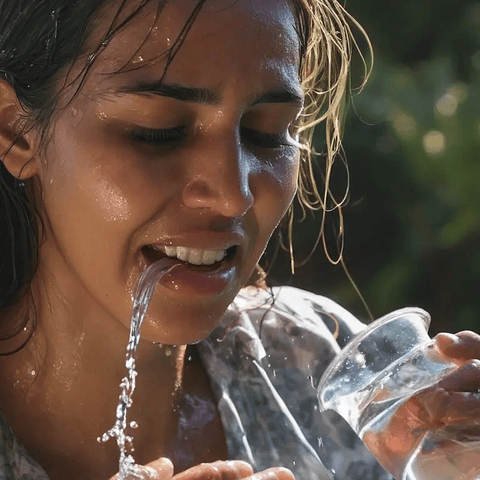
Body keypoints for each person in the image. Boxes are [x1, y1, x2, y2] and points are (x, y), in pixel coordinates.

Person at [0, 1, 479, 480]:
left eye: (264, 134)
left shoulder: (319, 370)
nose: (233, 195)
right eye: (158, 133)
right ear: (15, 130)